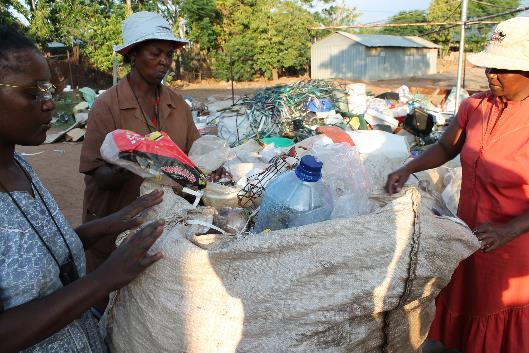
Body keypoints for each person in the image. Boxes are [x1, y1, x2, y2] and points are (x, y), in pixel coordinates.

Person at [0, 26, 166, 352]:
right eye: (34, 93)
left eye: (48, 91)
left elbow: (40, 251)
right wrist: (102, 280)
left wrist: (109, 223)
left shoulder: (19, 166)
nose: (49, 104)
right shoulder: (108, 104)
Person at [386, 17, 529, 353]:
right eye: (489, 67)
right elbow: (447, 147)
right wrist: (409, 168)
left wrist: (511, 229)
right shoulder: (474, 106)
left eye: (502, 69)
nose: (492, 75)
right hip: (471, 235)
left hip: (515, 246)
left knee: (503, 319)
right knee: (470, 307)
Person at [79, 12, 200, 280]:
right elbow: (99, 175)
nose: (164, 62)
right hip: (115, 224)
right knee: (107, 299)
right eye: (156, 53)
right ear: (133, 54)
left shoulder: (178, 106)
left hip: (164, 227)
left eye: (169, 55)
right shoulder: (107, 105)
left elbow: (194, 162)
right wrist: (130, 163)